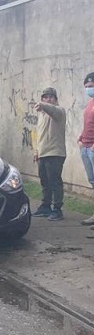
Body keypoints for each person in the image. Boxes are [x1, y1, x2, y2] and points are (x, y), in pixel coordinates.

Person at [32, 87, 67, 221]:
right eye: (45, 97)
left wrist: (42, 104)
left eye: (51, 97)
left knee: (54, 182)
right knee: (44, 182)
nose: (48, 99)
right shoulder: (41, 115)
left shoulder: (59, 111)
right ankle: (45, 206)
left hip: (55, 153)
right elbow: (39, 135)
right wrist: (36, 151)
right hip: (43, 153)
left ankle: (57, 209)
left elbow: (52, 110)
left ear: (56, 100)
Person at [79, 71, 94, 226]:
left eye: (91, 86)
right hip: (86, 146)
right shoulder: (90, 103)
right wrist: (81, 138)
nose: (89, 89)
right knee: (92, 181)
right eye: (87, 86)